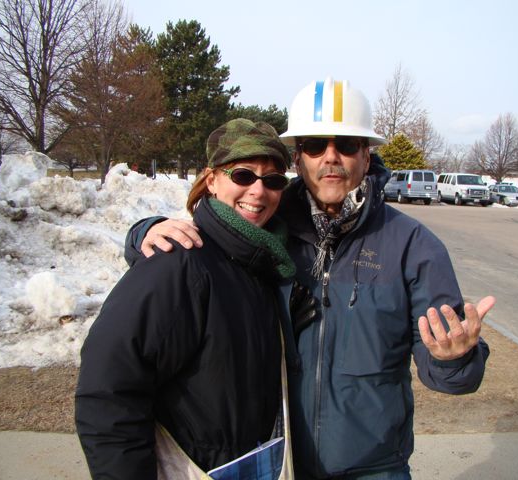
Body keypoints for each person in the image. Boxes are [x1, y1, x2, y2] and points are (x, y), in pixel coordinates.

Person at [125, 78, 495, 479]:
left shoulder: (413, 246)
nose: (331, 157)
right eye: (316, 145)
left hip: (374, 468)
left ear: (366, 156)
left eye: (347, 145)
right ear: (299, 158)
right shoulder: (265, 222)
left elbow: (449, 376)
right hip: (279, 463)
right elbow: (210, 234)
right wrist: (145, 231)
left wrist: (455, 358)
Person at [76, 118, 298, 480]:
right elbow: (108, 390)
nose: (258, 191)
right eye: (243, 175)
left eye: (273, 180)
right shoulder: (179, 261)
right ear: (211, 179)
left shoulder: (264, 259)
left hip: (254, 464)